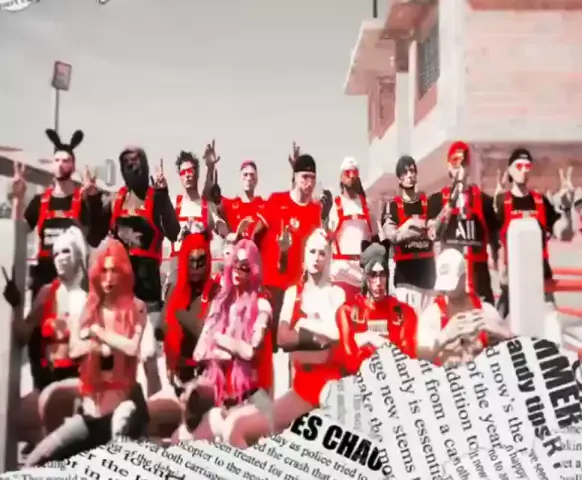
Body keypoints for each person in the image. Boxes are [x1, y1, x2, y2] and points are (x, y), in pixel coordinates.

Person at [24, 238, 154, 466]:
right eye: (104, 270)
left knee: (119, 446)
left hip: (124, 406)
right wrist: (100, 346)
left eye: (114, 270)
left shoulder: (137, 308)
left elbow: (132, 347)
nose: (108, 278)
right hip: (91, 413)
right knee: (37, 460)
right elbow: (75, 349)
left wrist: (98, 333)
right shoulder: (89, 308)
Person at [216, 229, 345, 448]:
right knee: (238, 429)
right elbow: (283, 339)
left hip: (329, 388)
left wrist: (302, 327)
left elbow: (334, 339)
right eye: (312, 251)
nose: (316, 257)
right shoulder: (293, 293)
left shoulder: (337, 294)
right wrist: (318, 339)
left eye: (322, 253)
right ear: (304, 254)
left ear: (329, 257)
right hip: (302, 389)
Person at [10, 129, 103, 400]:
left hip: (75, 287)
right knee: (37, 344)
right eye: (57, 160)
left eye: (66, 160)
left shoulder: (81, 200)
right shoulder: (40, 201)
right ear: (51, 164)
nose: (61, 164)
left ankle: (78, 394)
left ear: (73, 164)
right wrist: (18, 200)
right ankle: (43, 394)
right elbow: (18, 232)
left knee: (76, 342)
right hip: (43, 284)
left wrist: (94, 200)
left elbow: (96, 236)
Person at [87, 147, 181, 395]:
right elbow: (94, 237)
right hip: (119, 296)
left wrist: (163, 195)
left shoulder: (155, 198)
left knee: (148, 354)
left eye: (138, 162)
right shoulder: (115, 200)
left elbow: (174, 231)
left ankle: (154, 405)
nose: (134, 168)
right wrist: (93, 201)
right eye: (127, 164)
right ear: (122, 170)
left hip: (148, 296)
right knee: (117, 358)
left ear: (146, 165)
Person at [180, 239, 273, 442]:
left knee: (236, 432)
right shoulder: (220, 303)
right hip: (222, 398)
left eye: (245, 267)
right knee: (187, 435)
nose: (237, 271)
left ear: (253, 270)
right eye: (234, 264)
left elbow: (249, 351)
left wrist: (219, 340)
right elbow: (199, 352)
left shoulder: (262, 304)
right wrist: (227, 349)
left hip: (252, 397)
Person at [3, 226, 88, 443]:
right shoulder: (46, 293)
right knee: (15, 419)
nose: (60, 258)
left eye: (66, 252)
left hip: (77, 382)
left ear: (78, 254)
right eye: (56, 253)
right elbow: (22, 334)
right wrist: (16, 305)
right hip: (46, 380)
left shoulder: (90, 298)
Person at [494, 149, 574, 342]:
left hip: (541, 281)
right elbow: (496, 240)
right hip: (513, 284)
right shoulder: (502, 202)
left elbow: (564, 233)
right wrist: (500, 269)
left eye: (527, 166)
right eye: (519, 166)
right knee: (505, 340)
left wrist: (566, 209)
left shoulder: (540, 201)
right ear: (510, 170)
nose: (524, 170)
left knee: (551, 336)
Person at [146, 233, 221, 440]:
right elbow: (160, 329)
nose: (196, 267)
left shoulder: (215, 291)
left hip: (204, 378)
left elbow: (203, 330)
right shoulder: (176, 288)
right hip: (177, 375)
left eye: (201, 261)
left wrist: (178, 314)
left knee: (195, 432)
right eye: (192, 260)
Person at [252, 153, 322, 353]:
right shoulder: (276, 200)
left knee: (292, 345)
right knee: (270, 345)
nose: (309, 183)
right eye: (304, 177)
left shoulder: (316, 211)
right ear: (295, 177)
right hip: (272, 284)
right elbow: (255, 235)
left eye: (312, 178)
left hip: (297, 289)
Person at [427, 141, 500, 304]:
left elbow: (496, 243)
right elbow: (433, 234)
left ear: (469, 166)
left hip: (479, 285)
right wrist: (451, 202)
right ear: (448, 165)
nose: (459, 166)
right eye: (455, 160)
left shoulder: (484, 201)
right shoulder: (436, 200)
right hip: (450, 284)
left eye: (464, 161)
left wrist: (501, 268)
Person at [416, 248, 513, 367]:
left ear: (463, 277)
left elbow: (512, 354)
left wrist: (502, 333)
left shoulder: (486, 311)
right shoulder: (432, 315)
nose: (449, 290)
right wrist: (443, 337)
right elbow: (420, 357)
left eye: (453, 283)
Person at [335, 242, 418, 375]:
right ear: (365, 276)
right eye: (373, 275)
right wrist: (389, 350)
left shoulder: (404, 312)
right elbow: (350, 363)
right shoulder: (347, 311)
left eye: (382, 274)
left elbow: (407, 362)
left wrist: (373, 340)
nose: (379, 282)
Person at [383, 155, 435, 313]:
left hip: (428, 279)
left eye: (412, 171)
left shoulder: (428, 202)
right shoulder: (392, 207)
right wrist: (412, 224)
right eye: (405, 172)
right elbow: (392, 236)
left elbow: (435, 231)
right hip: (405, 281)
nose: (410, 175)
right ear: (399, 178)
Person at [327, 157, 377, 300]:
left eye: (354, 173)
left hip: (362, 276)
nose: (351, 176)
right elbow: (327, 238)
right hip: (340, 275)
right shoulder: (335, 205)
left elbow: (375, 238)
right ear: (341, 177)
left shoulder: (367, 206)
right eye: (347, 173)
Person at [167, 146, 227, 259]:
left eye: (190, 170)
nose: (187, 175)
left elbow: (222, 228)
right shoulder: (172, 205)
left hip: (201, 265)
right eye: (183, 172)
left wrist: (226, 232)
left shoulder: (208, 206)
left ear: (197, 173)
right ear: (179, 175)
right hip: (177, 265)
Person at [218, 160, 266, 241]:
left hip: (255, 247)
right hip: (235, 246)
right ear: (241, 177)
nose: (248, 178)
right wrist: (210, 168)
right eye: (245, 175)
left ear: (256, 179)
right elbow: (210, 197)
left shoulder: (264, 205)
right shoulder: (229, 204)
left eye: (252, 175)